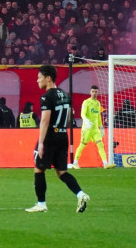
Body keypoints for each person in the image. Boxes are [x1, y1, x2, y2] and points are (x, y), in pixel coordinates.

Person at [26, 64, 91, 213]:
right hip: (62, 135)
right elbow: (68, 117)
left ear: (48, 78)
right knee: (62, 172)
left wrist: (41, 143)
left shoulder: (46, 96)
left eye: (39, 77)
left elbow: (44, 121)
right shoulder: (65, 94)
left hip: (50, 136)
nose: (37, 81)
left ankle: (41, 204)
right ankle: (81, 194)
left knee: (39, 170)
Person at [73, 85, 112, 169]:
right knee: (82, 145)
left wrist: (101, 127)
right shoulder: (86, 102)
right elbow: (82, 114)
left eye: (96, 92)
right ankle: (75, 163)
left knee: (100, 145)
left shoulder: (98, 103)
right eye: (93, 91)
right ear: (90, 92)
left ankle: (105, 163)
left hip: (95, 129)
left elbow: (98, 116)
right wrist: (86, 120)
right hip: (87, 128)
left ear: (98, 92)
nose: (94, 93)